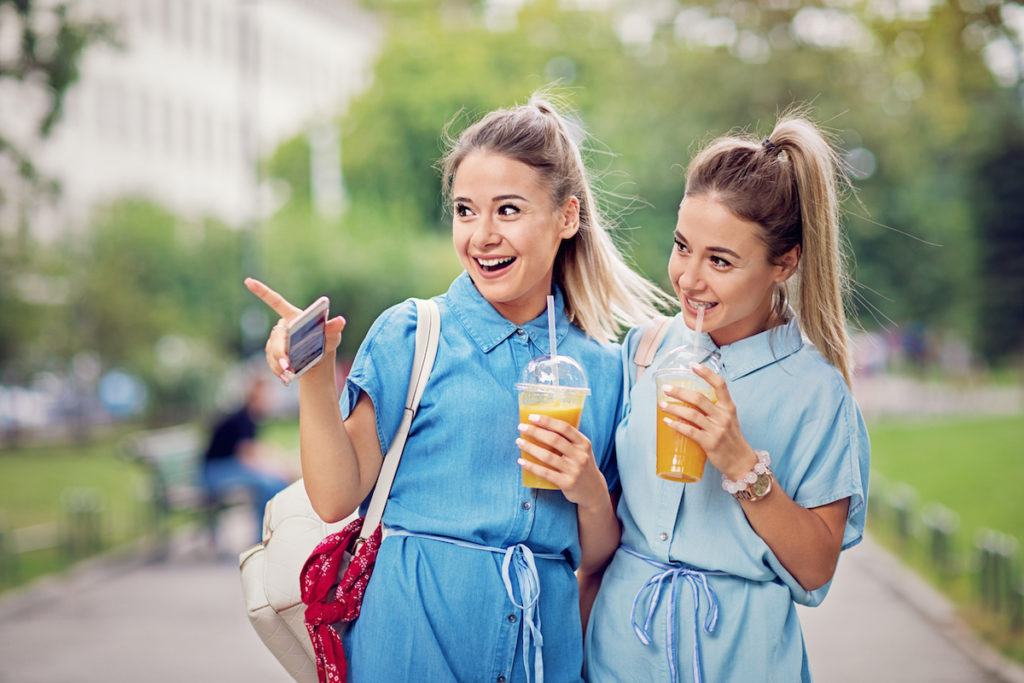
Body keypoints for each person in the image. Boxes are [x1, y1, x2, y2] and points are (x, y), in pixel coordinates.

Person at [246, 93, 669, 682]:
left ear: (566, 218)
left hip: (541, 656)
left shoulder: (603, 366)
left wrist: (588, 488)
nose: (482, 235)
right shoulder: (414, 334)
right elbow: (336, 497)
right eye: (466, 210)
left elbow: (596, 556)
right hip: (411, 642)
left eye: (509, 210)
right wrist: (316, 375)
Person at [584, 112, 871, 682]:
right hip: (621, 653)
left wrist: (742, 466)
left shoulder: (816, 393)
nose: (689, 278)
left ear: (783, 264)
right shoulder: (644, 351)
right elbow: (604, 528)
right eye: (682, 247)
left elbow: (815, 569)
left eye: (720, 261)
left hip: (741, 659)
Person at [201, 375, 293, 542]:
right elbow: (246, 456)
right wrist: (275, 469)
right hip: (215, 472)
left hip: (227, 468)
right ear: (255, 395)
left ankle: (269, 533)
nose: (271, 399)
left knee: (274, 481)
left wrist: (279, 463)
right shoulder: (242, 418)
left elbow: (253, 450)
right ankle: (263, 538)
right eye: (267, 395)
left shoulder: (250, 417)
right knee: (270, 483)